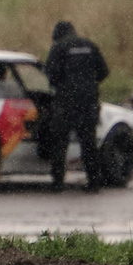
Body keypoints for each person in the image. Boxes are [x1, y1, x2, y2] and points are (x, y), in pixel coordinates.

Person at [40, 20, 111, 191]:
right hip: (89, 103)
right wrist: (88, 84)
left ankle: (58, 183)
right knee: (88, 143)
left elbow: (49, 74)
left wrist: (63, 86)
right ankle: (94, 182)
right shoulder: (90, 45)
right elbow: (104, 72)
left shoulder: (59, 47)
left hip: (66, 103)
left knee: (60, 143)